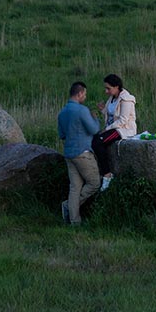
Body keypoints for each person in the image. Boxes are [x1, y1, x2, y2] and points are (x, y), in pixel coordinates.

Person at [57, 80, 101, 225]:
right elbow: (94, 130)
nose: (85, 97)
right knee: (94, 183)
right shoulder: (82, 110)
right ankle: (68, 207)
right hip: (83, 153)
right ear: (80, 93)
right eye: (85, 94)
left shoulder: (62, 112)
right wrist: (95, 118)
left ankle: (74, 221)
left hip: (69, 153)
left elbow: (62, 135)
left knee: (75, 187)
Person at [92, 73, 137, 191]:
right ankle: (100, 172)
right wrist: (103, 110)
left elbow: (123, 120)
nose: (106, 91)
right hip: (114, 127)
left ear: (117, 86)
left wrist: (106, 130)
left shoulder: (126, 99)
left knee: (98, 142)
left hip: (123, 129)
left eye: (108, 88)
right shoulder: (112, 98)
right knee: (94, 139)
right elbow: (112, 115)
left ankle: (107, 175)